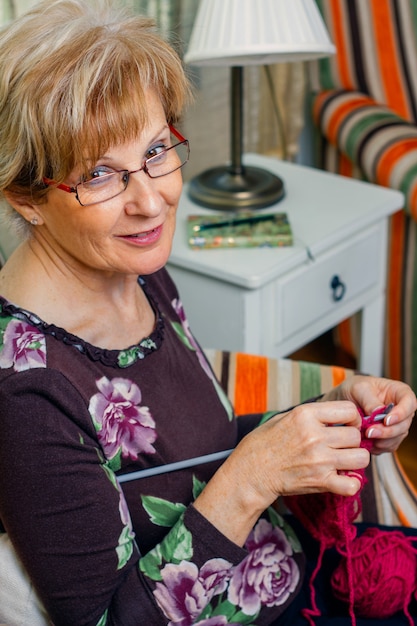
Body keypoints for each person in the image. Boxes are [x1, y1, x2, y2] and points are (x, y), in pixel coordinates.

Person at [0, 1, 415, 625]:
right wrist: (252, 477)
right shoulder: (26, 390)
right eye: (100, 175)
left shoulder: (135, 264)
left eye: (158, 149)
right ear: (26, 200)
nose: (151, 200)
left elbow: (192, 448)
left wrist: (324, 420)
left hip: (290, 567)